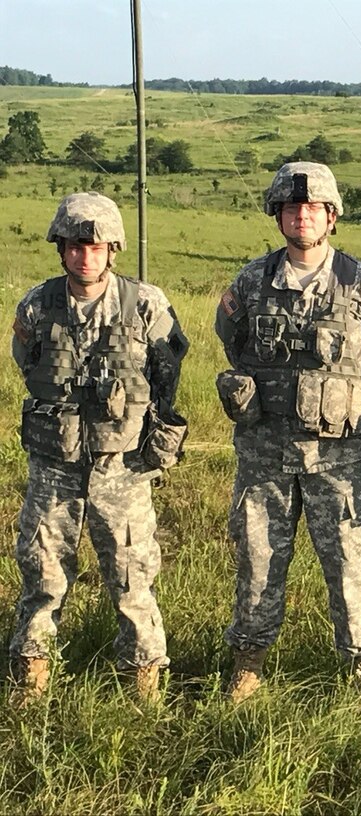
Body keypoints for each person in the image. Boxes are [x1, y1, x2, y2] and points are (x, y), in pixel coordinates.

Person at [214, 161, 361, 707]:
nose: (302, 217)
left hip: (339, 458)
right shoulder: (252, 283)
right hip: (266, 453)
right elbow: (233, 344)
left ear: (331, 216)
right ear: (277, 214)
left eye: (313, 209)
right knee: (258, 560)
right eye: (292, 208)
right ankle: (248, 664)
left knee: (351, 562)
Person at [9, 192, 189, 706]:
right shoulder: (37, 305)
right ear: (60, 249)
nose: (84, 257)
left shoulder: (146, 304)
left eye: (95, 247)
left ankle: (144, 684)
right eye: (74, 246)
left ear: (113, 250)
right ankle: (31, 679)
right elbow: (28, 362)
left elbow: (167, 374)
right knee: (42, 572)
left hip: (122, 466)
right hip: (55, 464)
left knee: (133, 578)